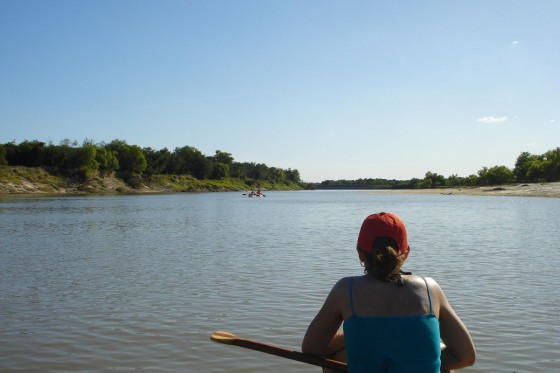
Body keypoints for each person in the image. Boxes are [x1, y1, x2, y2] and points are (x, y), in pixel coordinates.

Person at [302, 212, 475, 373]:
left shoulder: (345, 289)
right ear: (406, 253)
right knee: (439, 347)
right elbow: (466, 357)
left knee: (333, 356)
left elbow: (312, 348)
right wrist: (410, 356)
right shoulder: (429, 288)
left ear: (360, 254)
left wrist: (359, 337)